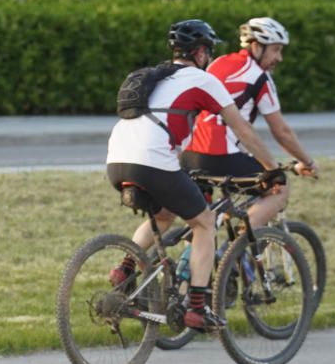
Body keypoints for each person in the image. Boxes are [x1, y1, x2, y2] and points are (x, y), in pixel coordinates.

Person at [106, 19, 280, 330]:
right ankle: (197, 307)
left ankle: (125, 269)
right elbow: (241, 127)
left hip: (116, 158)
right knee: (205, 223)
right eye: (208, 52)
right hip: (154, 161)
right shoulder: (203, 79)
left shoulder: (155, 76)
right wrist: (272, 168)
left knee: (163, 215)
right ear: (200, 52)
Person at [182, 17, 318, 228]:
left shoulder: (218, 62)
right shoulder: (259, 77)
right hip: (221, 156)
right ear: (256, 46)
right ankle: (242, 242)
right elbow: (281, 131)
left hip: (189, 154)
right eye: (276, 50)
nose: (279, 58)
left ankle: (197, 258)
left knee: (203, 224)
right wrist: (307, 162)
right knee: (279, 188)